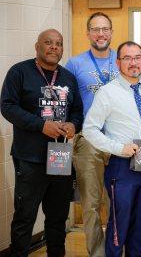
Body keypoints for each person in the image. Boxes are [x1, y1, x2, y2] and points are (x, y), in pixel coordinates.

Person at [1, 29, 83, 257]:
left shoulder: (68, 77)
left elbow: (77, 110)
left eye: (59, 43)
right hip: (31, 158)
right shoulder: (20, 72)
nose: (54, 47)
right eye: (48, 42)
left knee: (57, 218)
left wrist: (73, 125)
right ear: (37, 46)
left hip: (60, 158)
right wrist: (41, 125)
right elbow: (7, 106)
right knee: (25, 217)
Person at [83, 41, 141, 257]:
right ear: (118, 62)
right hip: (122, 167)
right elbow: (89, 130)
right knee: (119, 225)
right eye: (127, 58)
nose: (133, 62)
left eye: (137, 57)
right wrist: (119, 148)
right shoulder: (107, 93)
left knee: (140, 225)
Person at [65, 12, 119, 257]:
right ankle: (97, 253)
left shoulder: (124, 59)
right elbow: (68, 103)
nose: (100, 34)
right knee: (91, 204)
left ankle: (117, 250)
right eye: (95, 29)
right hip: (88, 140)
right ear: (88, 33)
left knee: (119, 202)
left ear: (111, 32)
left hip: (120, 141)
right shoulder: (75, 64)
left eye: (105, 29)